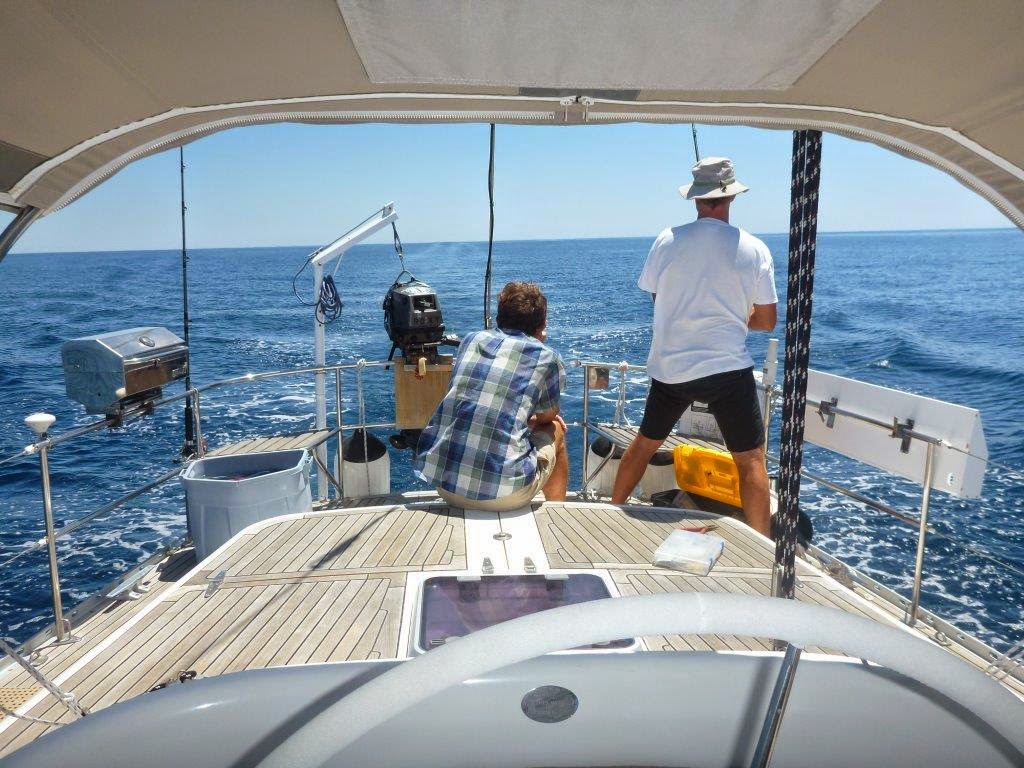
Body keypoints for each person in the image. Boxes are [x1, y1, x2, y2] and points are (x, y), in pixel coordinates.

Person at [611, 157, 778, 538]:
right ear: (731, 196)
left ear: (696, 198)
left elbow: (659, 299)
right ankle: (763, 547)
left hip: (671, 370)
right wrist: (734, 317)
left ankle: (611, 513)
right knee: (751, 461)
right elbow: (767, 321)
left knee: (644, 445)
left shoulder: (667, 239)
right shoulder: (755, 249)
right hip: (728, 371)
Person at [415, 281, 569, 511]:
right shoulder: (547, 357)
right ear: (542, 324)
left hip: (445, 485)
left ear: (500, 317)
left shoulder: (470, 340)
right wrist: (531, 419)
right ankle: (559, 513)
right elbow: (547, 417)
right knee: (555, 429)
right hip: (506, 495)